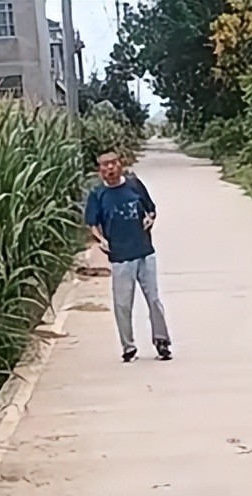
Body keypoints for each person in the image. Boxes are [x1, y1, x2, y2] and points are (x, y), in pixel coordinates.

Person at [84, 148, 172, 362]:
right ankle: (128, 347)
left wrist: (150, 219)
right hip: (120, 256)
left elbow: (151, 209)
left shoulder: (134, 185)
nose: (110, 168)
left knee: (154, 299)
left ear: (120, 164)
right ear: (100, 170)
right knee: (122, 304)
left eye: (113, 163)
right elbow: (92, 224)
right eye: (105, 165)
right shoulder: (98, 195)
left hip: (144, 251)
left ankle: (162, 341)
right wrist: (101, 240)